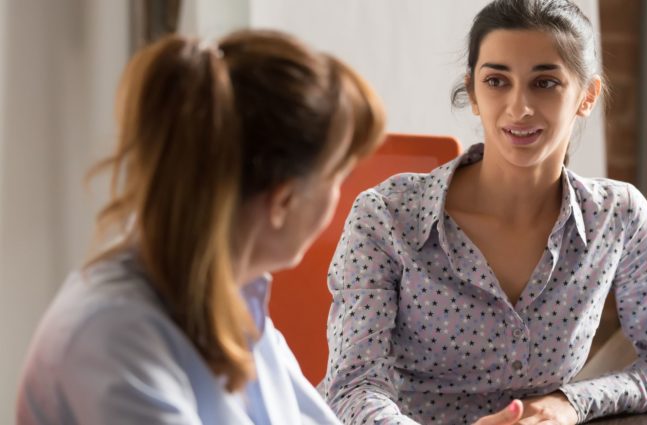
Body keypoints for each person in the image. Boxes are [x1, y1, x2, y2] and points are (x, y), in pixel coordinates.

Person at [322, 1, 647, 424]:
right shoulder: (386, 216)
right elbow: (354, 386)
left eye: (544, 83)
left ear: (587, 96)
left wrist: (570, 402)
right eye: (496, 81)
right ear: (472, 92)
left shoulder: (617, 217)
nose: (519, 107)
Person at [16, 29, 386, 424]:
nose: (340, 197)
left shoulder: (238, 305)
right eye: (336, 177)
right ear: (283, 200)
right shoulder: (113, 336)